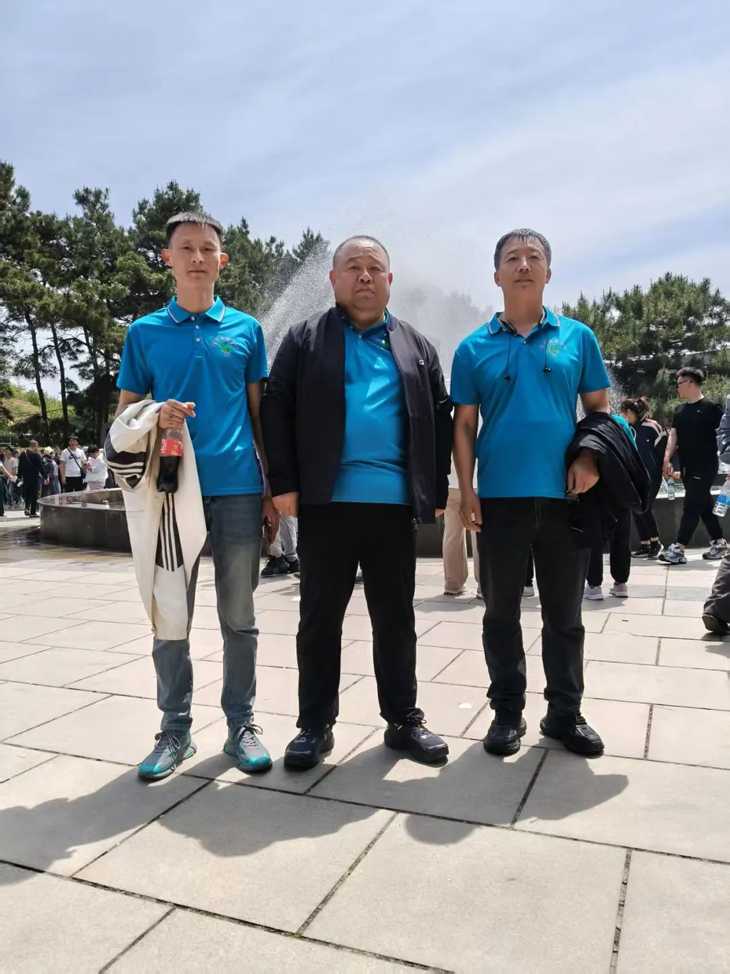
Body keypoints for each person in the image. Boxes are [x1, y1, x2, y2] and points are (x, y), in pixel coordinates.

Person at [262, 235, 452, 768]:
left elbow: (440, 417)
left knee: (395, 618)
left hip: (393, 507)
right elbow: (276, 406)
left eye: (374, 267)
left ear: (390, 280)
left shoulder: (416, 345)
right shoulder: (305, 338)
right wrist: (283, 483)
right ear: (333, 279)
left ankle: (403, 719)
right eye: (353, 267)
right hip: (326, 504)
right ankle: (314, 724)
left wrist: (435, 490)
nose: (364, 275)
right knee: (319, 619)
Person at [116, 210, 279, 780]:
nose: (197, 257)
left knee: (240, 617)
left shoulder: (247, 330)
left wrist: (271, 491)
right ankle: (175, 729)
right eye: (185, 248)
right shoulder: (143, 333)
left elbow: (259, 417)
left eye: (207, 248)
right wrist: (154, 413)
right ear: (167, 258)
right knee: (171, 615)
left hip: (236, 488)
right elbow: (123, 420)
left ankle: (242, 724)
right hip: (170, 491)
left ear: (222, 260)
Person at [452, 228, 609, 758]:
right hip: (499, 501)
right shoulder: (472, 347)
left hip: (567, 498)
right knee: (500, 613)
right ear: (496, 275)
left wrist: (588, 458)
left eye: (533, 257)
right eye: (512, 258)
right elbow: (464, 425)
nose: (523, 265)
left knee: (565, 616)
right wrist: (467, 490)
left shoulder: (578, 337)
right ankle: (506, 713)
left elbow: (599, 410)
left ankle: (565, 713)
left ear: (548, 271)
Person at [659, 367, 726, 565]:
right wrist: (666, 458)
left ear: (689, 383)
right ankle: (720, 542)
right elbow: (673, 436)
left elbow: (725, 435)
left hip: (706, 466)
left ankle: (678, 548)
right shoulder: (680, 410)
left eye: (678, 383)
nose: (677, 388)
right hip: (687, 467)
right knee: (703, 505)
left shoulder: (711, 408)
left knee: (691, 506)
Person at [584, 411, 637, 600]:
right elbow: (633, 452)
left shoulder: (585, 424)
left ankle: (593, 585)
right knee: (621, 533)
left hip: (593, 486)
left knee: (593, 534)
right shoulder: (620, 423)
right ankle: (621, 583)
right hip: (620, 484)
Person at [620, 397, 667, 559]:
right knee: (636, 507)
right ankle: (645, 543)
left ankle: (655, 542)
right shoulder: (627, 429)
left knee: (644, 506)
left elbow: (664, 447)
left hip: (652, 474)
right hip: (635, 474)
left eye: (623, 412)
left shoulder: (651, 427)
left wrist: (667, 465)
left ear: (629, 412)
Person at [443, 471, 481, 597]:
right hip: (476, 483)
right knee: (479, 532)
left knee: (452, 534)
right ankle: (484, 584)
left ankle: (452, 584)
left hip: (450, 483)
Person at [18, 442, 44, 518]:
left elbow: (20, 466)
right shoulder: (36, 455)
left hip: (25, 477)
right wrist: (45, 475)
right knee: (34, 494)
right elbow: (40, 466)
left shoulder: (23, 454)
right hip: (34, 477)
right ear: (35, 446)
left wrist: (19, 475)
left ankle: (27, 508)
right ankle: (33, 511)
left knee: (28, 493)